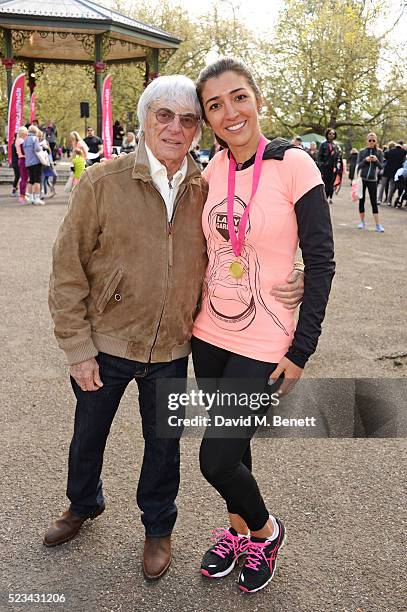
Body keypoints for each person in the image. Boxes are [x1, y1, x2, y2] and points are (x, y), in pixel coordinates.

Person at [44, 74, 304, 583]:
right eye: (164, 115)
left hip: (171, 348)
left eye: (187, 119)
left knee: (164, 447)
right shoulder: (102, 181)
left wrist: (299, 272)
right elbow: (67, 268)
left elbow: (246, 242)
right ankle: (81, 503)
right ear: (143, 120)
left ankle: (158, 528)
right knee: (87, 435)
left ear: (198, 130)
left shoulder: (206, 187)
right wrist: (77, 347)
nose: (175, 127)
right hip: (106, 343)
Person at [193, 57, 335, 594]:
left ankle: (266, 531)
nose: (229, 112)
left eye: (238, 97)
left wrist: (302, 350)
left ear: (258, 99)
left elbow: (320, 261)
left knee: (216, 455)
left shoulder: (296, 165)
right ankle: (238, 533)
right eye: (215, 105)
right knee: (238, 450)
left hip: (266, 337)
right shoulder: (210, 171)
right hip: (208, 334)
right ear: (207, 118)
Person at [356, 132, 384, 231]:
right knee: (361, 200)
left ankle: (377, 225)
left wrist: (376, 160)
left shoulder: (380, 152)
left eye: (373, 140)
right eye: (370, 140)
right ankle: (362, 222)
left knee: (373, 202)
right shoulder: (362, 151)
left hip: (373, 180)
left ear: (376, 141)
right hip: (362, 179)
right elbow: (358, 166)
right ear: (366, 141)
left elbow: (381, 167)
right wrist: (365, 160)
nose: (371, 142)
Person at [317, 128, 343, 204]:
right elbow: (319, 157)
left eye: (333, 134)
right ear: (327, 134)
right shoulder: (323, 144)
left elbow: (338, 158)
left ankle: (330, 197)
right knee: (325, 183)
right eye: (330, 133)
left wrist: (337, 167)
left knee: (331, 183)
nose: (332, 135)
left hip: (333, 168)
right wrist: (321, 168)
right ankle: (324, 198)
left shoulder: (336, 146)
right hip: (325, 168)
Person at [378, 140, 406, 206]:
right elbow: (403, 161)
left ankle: (379, 200)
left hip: (387, 169)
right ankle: (389, 201)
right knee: (392, 186)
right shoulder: (404, 152)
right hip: (395, 171)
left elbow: (385, 156)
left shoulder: (390, 151)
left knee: (382, 185)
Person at [24, 125, 44, 205]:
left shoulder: (25, 140)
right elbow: (37, 149)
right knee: (37, 181)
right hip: (36, 162)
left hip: (28, 162)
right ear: (35, 132)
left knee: (31, 180)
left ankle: (30, 198)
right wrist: (41, 147)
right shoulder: (35, 139)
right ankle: (37, 198)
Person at [16, 126, 28, 204]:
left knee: (24, 179)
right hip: (23, 160)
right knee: (24, 179)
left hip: (21, 159)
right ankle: (22, 195)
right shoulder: (21, 141)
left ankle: (22, 194)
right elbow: (24, 152)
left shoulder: (18, 140)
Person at [11, 133, 20, 197]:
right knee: (17, 176)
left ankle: (15, 189)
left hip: (15, 162)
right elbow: (18, 153)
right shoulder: (15, 144)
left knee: (17, 176)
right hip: (16, 163)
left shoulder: (14, 144)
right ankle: (14, 190)